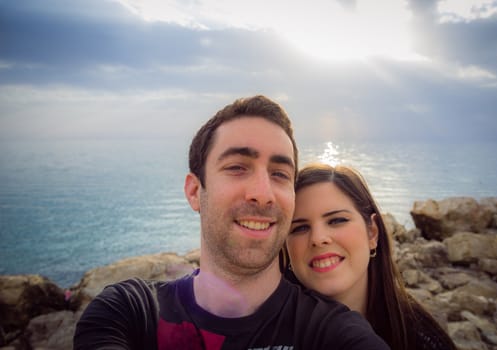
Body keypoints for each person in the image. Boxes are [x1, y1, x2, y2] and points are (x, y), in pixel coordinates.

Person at [74, 96, 389, 349]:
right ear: (195, 191)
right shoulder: (131, 312)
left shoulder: (332, 331)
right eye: (238, 167)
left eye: (280, 174)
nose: (263, 194)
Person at [284, 163, 457, 350]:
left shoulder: (422, 336)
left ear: (372, 232)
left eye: (337, 220)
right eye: (300, 227)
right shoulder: (263, 331)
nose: (318, 238)